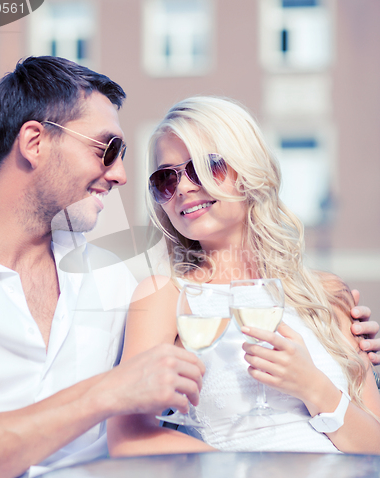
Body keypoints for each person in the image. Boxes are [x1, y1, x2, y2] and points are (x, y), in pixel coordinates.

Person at [0, 56, 205, 478]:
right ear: (34, 142)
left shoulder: (117, 279)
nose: (120, 175)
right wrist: (106, 393)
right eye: (106, 149)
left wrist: (334, 329)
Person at [107, 96, 380, 456]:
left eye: (206, 167)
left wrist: (315, 388)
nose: (184, 188)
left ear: (248, 170)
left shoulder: (326, 294)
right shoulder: (165, 296)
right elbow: (127, 438)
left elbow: (375, 448)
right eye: (165, 179)